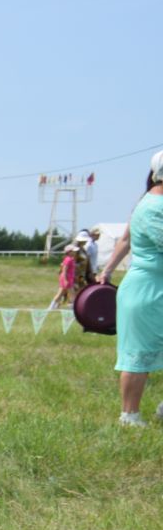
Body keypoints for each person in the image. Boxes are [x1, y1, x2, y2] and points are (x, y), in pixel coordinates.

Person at [96, 151, 163, 426]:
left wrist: (107, 270)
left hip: (154, 289)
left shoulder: (147, 202)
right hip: (148, 292)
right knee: (138, 356)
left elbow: (125, 239)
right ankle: (130, 416)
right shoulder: (154, 208)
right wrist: (107, 271)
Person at [53, 242, 83, 310]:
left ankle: (53, 306)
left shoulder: (70, 259)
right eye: (73, 251)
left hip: (69, 279)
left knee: (61, 294)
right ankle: (74, 308)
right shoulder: (68, 259)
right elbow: (64, 270)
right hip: (67, 279)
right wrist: (65, 280)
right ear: (69, 252)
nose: (75, 252)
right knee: (71, 294)